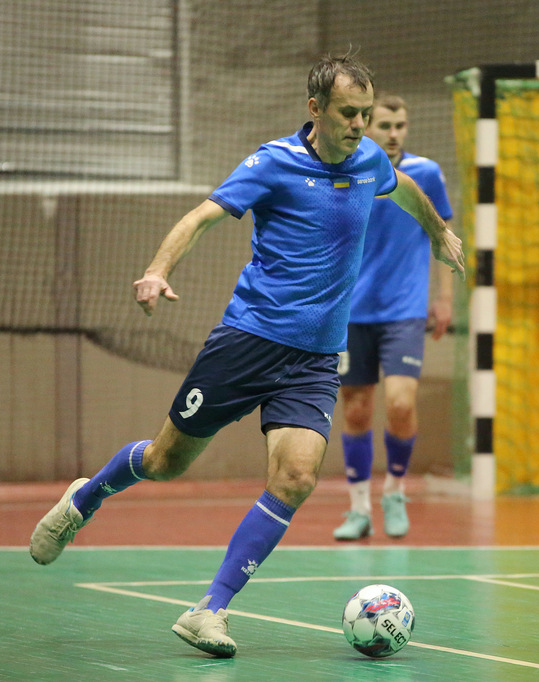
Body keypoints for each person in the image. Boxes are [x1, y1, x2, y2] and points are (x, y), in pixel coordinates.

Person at [28, 52, 465, 658]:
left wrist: (438, 233)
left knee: (297, 477)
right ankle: (85, 497)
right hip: (248, 342)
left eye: (366, 113)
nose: (360, 125)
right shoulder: (273, 163)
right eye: (348, 113)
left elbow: (403, 187)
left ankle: (209, 609)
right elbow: (201, 217)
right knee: (164, 461)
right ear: (315, 108)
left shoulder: (369, 160)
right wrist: (157, 270)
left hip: (315, 360)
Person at [332, 94, 455, 541]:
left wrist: (444, 298)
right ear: (366, 126)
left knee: (401, 404)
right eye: (385, 125)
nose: (394, 133)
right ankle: (358, 508)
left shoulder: (426, 173)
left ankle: (395, 492)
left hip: (404, 310)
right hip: (352, 311)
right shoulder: (346, 172)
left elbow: (443, 234)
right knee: (357, 409)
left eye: (400, 125)